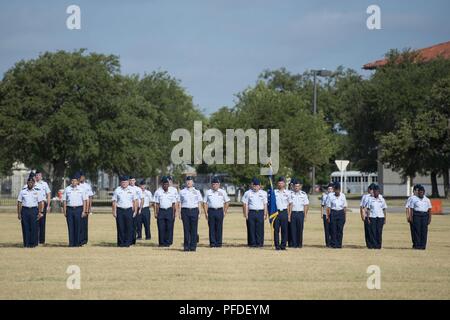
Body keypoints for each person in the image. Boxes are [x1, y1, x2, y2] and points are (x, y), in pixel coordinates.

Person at [17, 174, 44, 248]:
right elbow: (19, 202)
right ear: (27, 183)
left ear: (34, 183)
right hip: (25, 210)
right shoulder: (23, 192)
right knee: (25, 227)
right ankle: (26, 244)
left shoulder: (37, 192)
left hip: (34, 210)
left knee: (34, 227)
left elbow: (40, 203)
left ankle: (33, 244)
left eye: (32, 182)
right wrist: (19, 213)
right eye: (29, 182)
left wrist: (40, 212)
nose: (30, 184)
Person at [203, 176, 230, 248]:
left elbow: (227, 202)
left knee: (219, 227)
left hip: (219, 211)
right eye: (213, 184)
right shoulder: (208, 192)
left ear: (219, 184)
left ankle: (218, 243)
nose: (215, 185)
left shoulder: (222, 192)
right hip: (211, 211)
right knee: (211, 227)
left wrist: (224, 212)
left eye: (216, 184)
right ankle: (212, 243)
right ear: (211, 184)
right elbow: (205, 203)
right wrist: (206, 213)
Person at [62, 172, 88, 247]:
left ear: (77, 181)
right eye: (72, 181)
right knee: (70, 227)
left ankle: (77, 243)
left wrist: (84, 211)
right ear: (71, 181)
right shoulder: (67, 189)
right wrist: (64, 211)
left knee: (78, 227)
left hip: (78, 209)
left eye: (75, 181)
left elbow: (84, 201)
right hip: (69, 209)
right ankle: (71, 243)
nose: (74, 182)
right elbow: (64, 201)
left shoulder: (82, 189)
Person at [112, 176, 138, 247]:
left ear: (128, 182)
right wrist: (114, 211)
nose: (124, 183)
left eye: (125, 182)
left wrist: (135, 211)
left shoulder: (132, 190)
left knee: (129, 227)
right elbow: (114, 201)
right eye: (122, 182)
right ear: (120, 182)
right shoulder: (117, 190)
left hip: (129, 210)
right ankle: (121, 243)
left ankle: (127, 243)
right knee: (120, 227)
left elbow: (135, 201)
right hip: (120, 210)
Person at [241, 178, 268, 248]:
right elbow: (245, 204)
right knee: (251, 228)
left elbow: (265, 204)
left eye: (257, 185)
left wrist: (265, 214)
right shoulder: (248, 193)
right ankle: (252, 243)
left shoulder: (263, 193)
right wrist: (246, 214)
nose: (255, 187)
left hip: (260, 212)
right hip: (251, 212)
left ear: (260, 186)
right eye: (254, 185)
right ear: (252, 185)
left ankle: (259, 243)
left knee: (260, 229)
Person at [179, 176, 203, 251]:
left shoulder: (197, 191)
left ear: (193, 182)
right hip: (185, 211)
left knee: (194, 229)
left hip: (194, 211)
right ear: (186, 182)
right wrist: (179, 213)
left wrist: (199, 213)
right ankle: (186, 246)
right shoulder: (182, 192)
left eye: (190, 181)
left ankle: (193, 246)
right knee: (186, 229)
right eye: (187, 181)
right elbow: (180, 203)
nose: (189, 182)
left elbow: (199, 202)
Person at [154, 176, 177, 247]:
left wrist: (174, 213)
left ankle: (168, 242)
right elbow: (157, 204)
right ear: (162, 185)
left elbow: (173, 204)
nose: (165, 185)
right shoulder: (158, 192)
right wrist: (156, 213)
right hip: (161, 211)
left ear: (168, 185)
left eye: (167, 184)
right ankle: (161, 242)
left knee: (169, 227)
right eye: (164, 184)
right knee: (161, 227)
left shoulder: (171, 192)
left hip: (169, 210)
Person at [407, 185, 432, 250]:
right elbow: (411, 209)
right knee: (417, 231)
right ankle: (417, 246)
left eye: (422, 192)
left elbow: (429, 210)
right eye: (419, 192)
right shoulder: (414, 199)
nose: (421, 193)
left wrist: (429, 219)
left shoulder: (427, 200)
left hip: (424, 216)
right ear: (418, 193)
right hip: (416, 215)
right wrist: (411, 217)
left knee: (424, 231)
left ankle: (423, 246)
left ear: (424, 192)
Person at [365, 184, 387, 249]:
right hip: (372, 217)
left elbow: (384, 209)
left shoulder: (382, 199)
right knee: (373, 232)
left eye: (377, 191)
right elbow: (368, 209)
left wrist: (385, 218)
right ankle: (374, 245)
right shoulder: (370, 199)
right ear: (373, 192)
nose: (376, 192)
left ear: (379, 191)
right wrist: (368, 218)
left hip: (380, 217)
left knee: (379, 232)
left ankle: (378, 245)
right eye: (375, 191)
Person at [326, 182, 347, 249]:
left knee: (340, 229)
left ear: (340, 190)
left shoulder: (343, 195)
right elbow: (328, 207)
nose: (337, 191)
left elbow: (344, 207)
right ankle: (334, 244)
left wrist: (344, 216)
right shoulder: (330, 196)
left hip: (341, 213)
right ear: (334, 190)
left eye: (338, 190)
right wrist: (328, 216)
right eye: (336, 190)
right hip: (333, 212)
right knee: (333, 229)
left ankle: (339, 244)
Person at [289, 178, 309, 248]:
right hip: (293, 213)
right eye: (295, 186)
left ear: (300, 186)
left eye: (298, 186)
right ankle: (294, 244)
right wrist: (289, 215)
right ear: (293, 186)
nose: (296, 187)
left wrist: (305, 215)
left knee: (300, 229)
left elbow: (306, 205)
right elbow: (289, 204)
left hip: (300, 213)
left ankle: (299, 244)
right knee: (293, 229)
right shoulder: (290, 194)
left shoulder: (303, 194)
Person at [273, 176, 292, 250]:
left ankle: (283, 245)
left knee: (284, 230)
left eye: (282, 183)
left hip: (284, 212)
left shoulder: (288, 193)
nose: (280, 184)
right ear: (277, 184)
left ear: (284, 184)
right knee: (276, 230)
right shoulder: (274, 192)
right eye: (279, 183)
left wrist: (289, 215)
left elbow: (290, 204)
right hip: (276, 213)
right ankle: (277, 245)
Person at [34, 170, 51, 244]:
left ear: (41, 176)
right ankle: (35, 239)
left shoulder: (44, 184)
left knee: (42, 222)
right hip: (34, 204)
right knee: (35, 222)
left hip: (43, 204)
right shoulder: (33, 183)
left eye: (39, 175)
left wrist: (48, 205)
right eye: (37, 175)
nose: (38, 176)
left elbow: (48, 194)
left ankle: (41, 240)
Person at [78, 170, 94, 246]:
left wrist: (89, 207)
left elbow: (90, 197)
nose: (81, 178)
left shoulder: (87, 186)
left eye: (82, 176)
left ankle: (84, 240)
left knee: (84, 224)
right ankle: (78, 239)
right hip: (79, 205)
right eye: (80, 177)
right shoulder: (76, 185)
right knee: (78, 224)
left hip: (86, 206)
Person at [360, 184, 375, 248]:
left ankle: (374, 243)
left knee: (374, 230)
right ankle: (369, 244)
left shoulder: (376, 196)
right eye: (370, 189)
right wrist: (362, 215)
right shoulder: (365, 197)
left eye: (372, 189)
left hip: (374, 215)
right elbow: (362, 207)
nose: (371, 191)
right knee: (367, 230)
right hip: (366, 215)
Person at [129, 176, 143, 244]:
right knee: (128, 225)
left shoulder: (138, 189)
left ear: (135, 181)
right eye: (130, 180)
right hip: (128, 208)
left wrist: (140, 209)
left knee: (134, 225)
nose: (132, 182)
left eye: (133, 180)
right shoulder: (127, 188)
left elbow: (142, 199)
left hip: (136, 208)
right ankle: (128, 238)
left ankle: (133, 239)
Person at [405, 184, 420, 249]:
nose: (417, 192)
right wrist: (408, 216)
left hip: (420, 217)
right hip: (413, 216)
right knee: (414, 231)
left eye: (418, 190)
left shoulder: (422, 197)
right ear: (413, 191)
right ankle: (415, 244)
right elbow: (407, 207)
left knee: (420, 231)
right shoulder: (411, 198)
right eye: (416, 190)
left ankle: (420, 244)